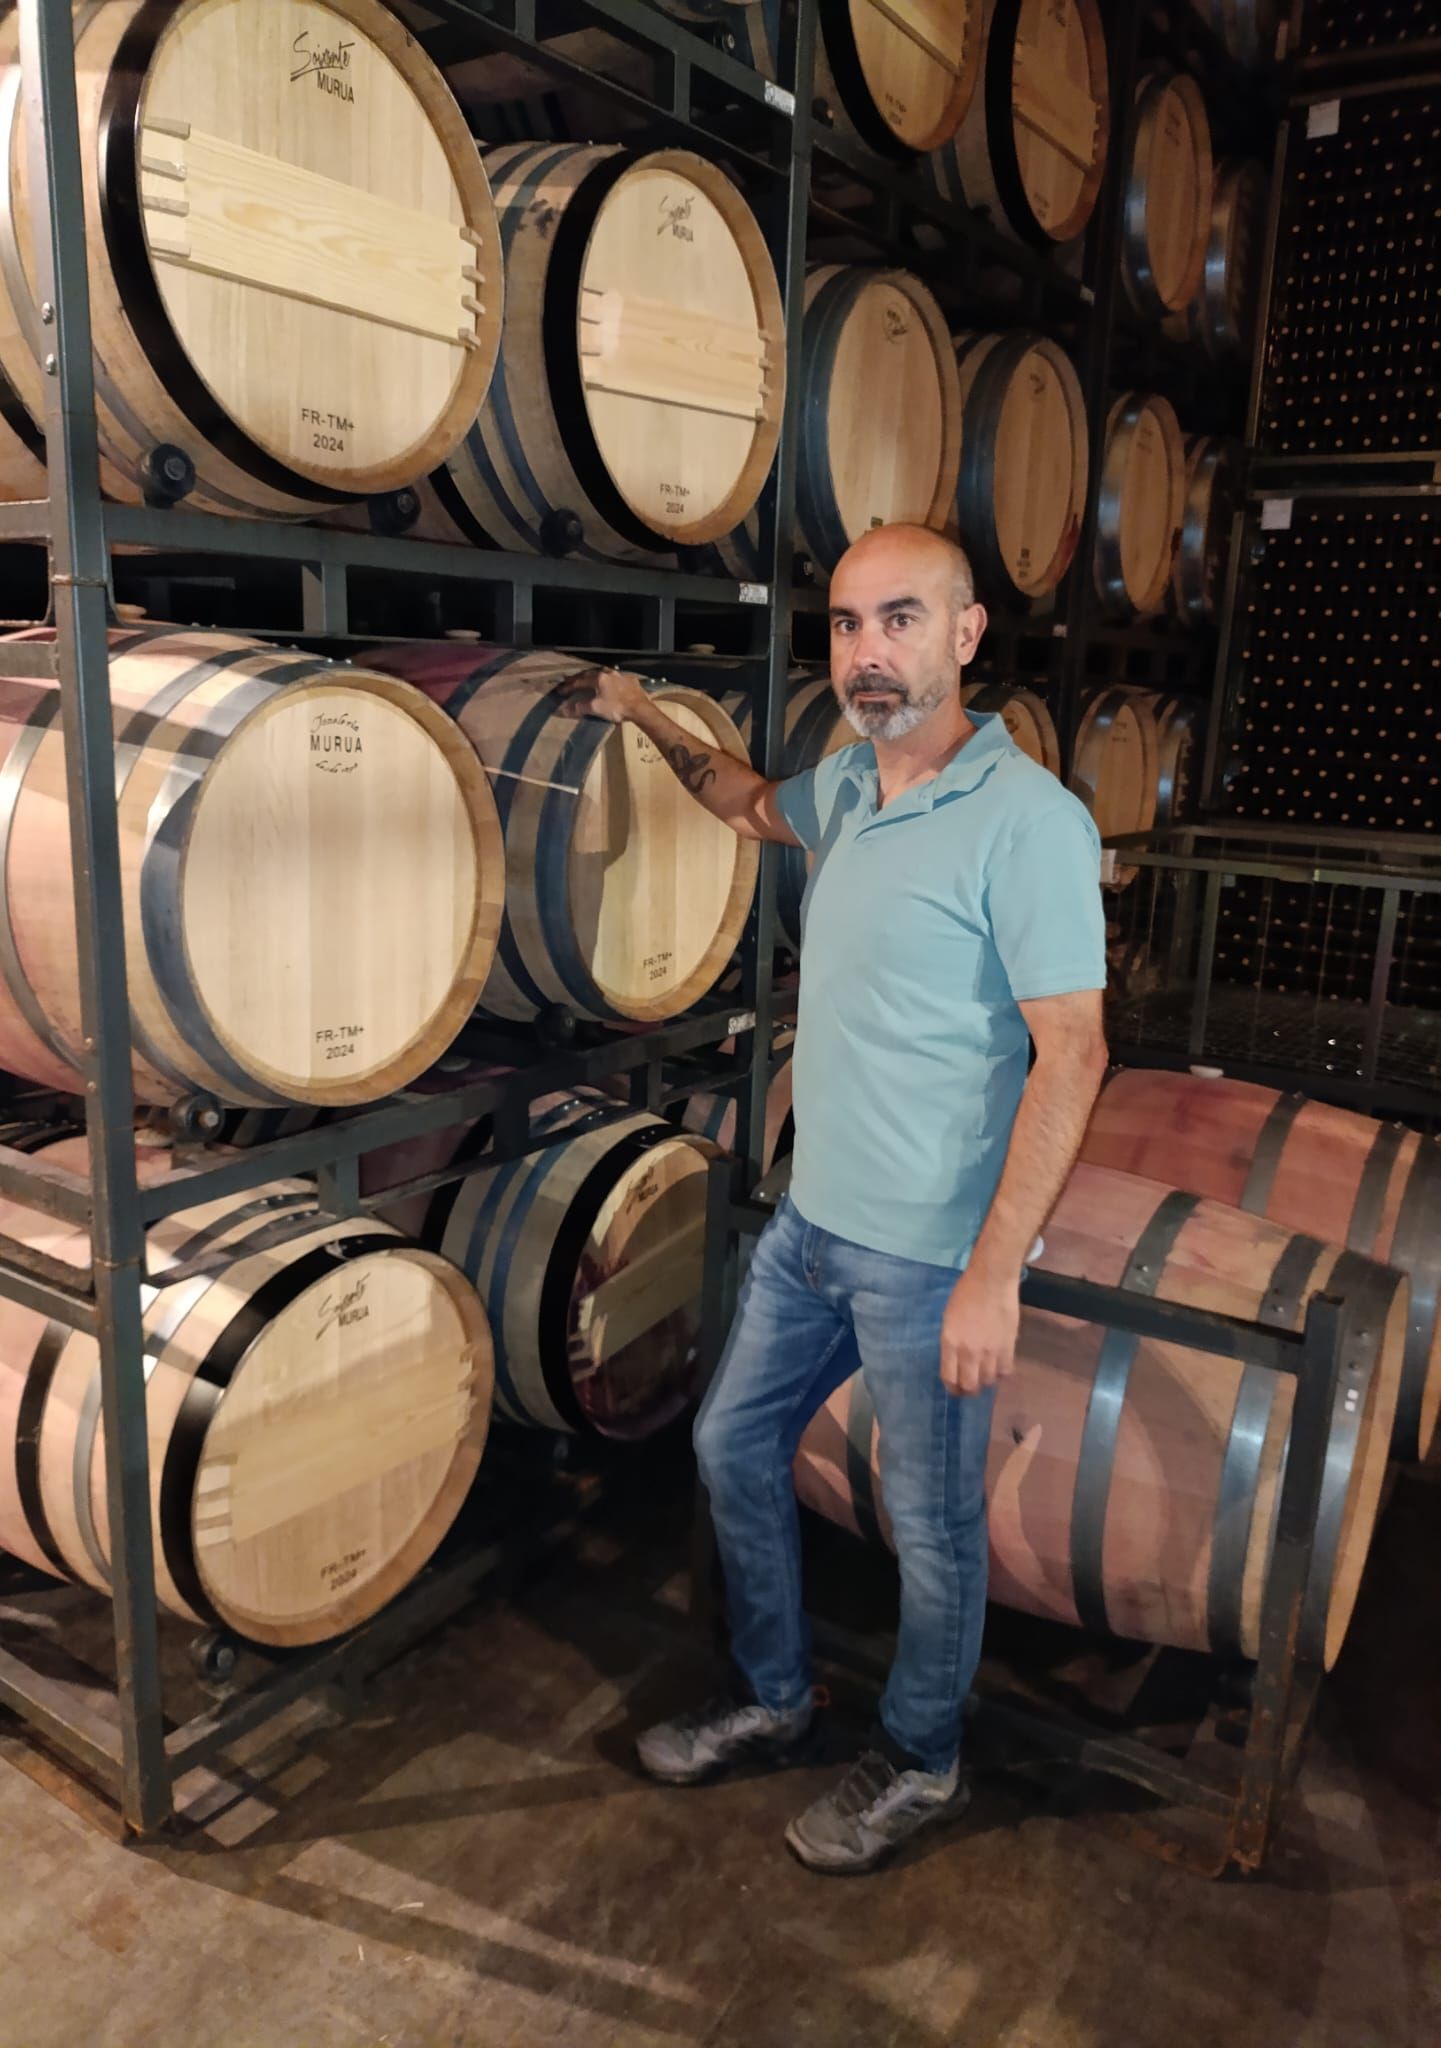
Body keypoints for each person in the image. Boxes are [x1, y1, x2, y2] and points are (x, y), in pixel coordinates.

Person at [560, 525, 1108, 1874]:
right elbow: (746, 802)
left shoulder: (1027, 823)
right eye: (849, 623)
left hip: (928, 1264)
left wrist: (994, 1273)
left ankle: (920, 1761)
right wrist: (643, 721)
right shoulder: (852, 788)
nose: (868, 649)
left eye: (900, 620)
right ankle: (774, 1693)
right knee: (728, 1451)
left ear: (966, 635)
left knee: (930, 1535)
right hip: (810, 1229)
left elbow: (1074, 1050)